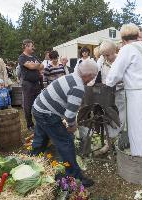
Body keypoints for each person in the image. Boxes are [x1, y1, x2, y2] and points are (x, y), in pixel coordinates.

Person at [31, 59, 98, 187]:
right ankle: (75, 176)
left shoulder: (71, 76)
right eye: (93, 76)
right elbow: (69, 115)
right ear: (88, 75)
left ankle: (32, 162)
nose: (93, 79)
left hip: (38, 107)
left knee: (41, 138)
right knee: (66, 141)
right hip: (47, 113)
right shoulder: (78, 87)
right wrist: (72, 126)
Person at [106, 24, 142, 157]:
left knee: (141, 126)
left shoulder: (127, 49)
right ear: (136, 35)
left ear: (123, 38)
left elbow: (113, 75)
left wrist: (108, 83)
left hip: (140, 94)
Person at [19, 39, 43, 131]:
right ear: (26, 46)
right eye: (32, 46)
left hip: (37, 83)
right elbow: (32, 66)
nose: (33, 47)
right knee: (28, 105)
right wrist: (35, 65)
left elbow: (42, 66)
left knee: (40, 103)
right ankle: (30, 125)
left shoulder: (34, 57)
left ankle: (40, 122)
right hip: (27, 84)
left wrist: (34, 64)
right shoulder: (22, 57)